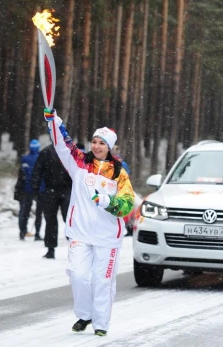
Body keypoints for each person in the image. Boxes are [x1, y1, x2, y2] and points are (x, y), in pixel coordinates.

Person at [43, 108, 134, 336]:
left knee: (103, 281)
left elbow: (128, 202)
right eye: (94, 141)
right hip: (80, 232)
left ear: (109, 146)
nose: (96, 146)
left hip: (107, 236)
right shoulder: (80, 163)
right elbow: (62, 144)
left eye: (101, 143)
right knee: (78, 275)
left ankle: (101, 324)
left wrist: (109, 202)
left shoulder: (118, 172)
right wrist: (54, 121)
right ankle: (85, 314)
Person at [31, 144, 72, 259]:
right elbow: (37, 170)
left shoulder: (70, 149)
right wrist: (35, 189)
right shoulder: (46, 152)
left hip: (68, 189)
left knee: (70, 219)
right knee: (50, 220)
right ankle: (50, 249)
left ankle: (77, 248)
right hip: (51, 190)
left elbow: (79, 169)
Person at [14, 139, 44, 241]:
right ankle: (37, 234)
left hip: (26, 189)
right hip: (39, 189)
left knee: (24, 211)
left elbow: (21, 174)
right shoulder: (42, 157)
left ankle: (22, 232)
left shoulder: (25, 158)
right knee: (39, 213)